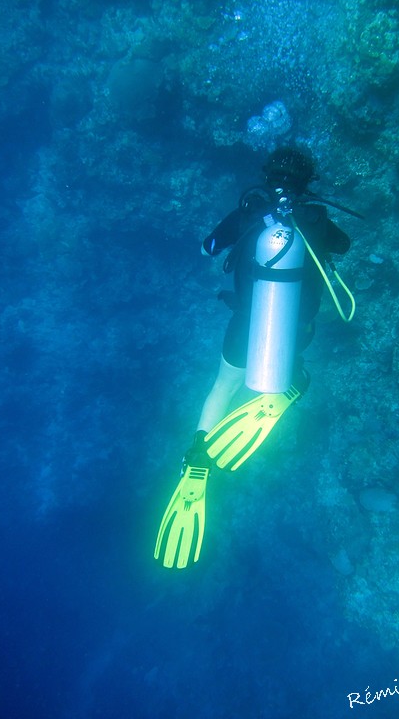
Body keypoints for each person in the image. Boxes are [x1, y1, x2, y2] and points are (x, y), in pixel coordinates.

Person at [154, 145, 352, 569]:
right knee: (296, 365)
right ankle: (290, 387)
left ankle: (196, 459)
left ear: (266, 174)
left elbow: (207, 247)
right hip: (297, 328)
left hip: (244, 323)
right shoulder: (314, 220)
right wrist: (314, 221)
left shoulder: (249, 212)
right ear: (308, 182)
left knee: (222, 386)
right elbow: (346, 245)